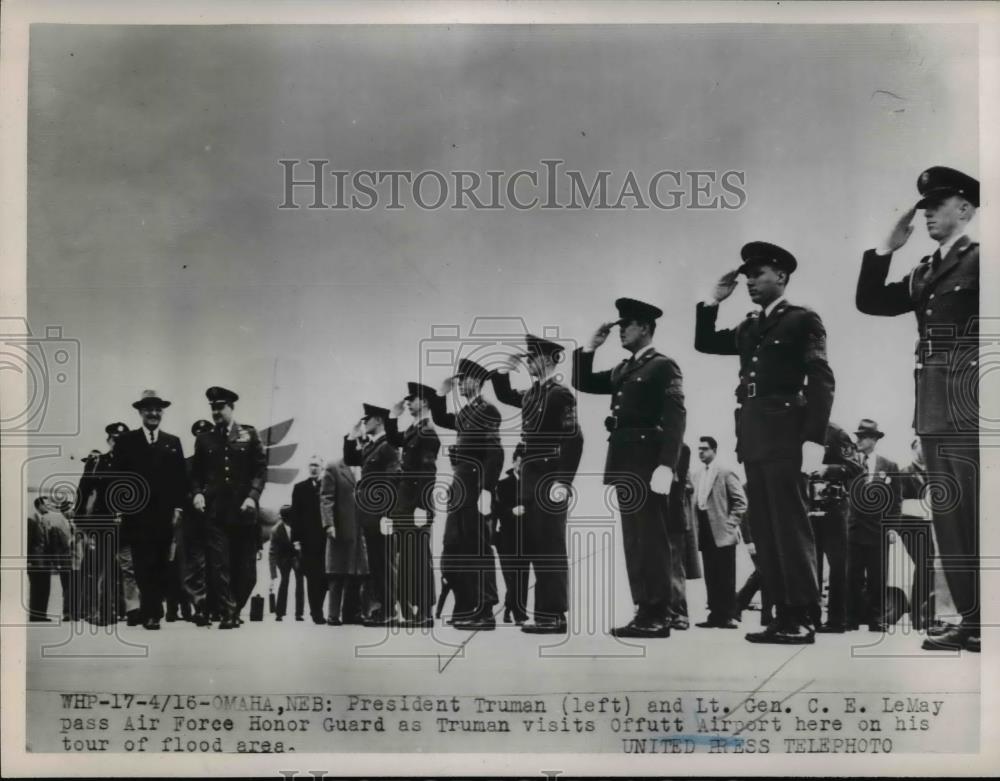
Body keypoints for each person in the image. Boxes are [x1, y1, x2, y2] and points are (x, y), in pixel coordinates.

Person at [855, 165, 980, 653]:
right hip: (931, 409)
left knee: (978, 514)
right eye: (924, 207)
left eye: (937, 205)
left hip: (971, 407)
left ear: (965, 208)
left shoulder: (982, 260)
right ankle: (972, 620)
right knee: (949, 520)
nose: (927, 213)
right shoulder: (926, 270)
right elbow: (869, 301)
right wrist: (886, 249)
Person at [696, 242, 834, 644]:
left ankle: (803, 615)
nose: (751, 281)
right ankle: (782, 614)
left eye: (758, 274)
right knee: (769, 532)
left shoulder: (801, 320)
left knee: (790, 527)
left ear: (782, 276)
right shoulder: (749, 326)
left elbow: (822, 377)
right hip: (754, 437)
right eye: (747, 276)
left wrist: (814, 438)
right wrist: (712, 300)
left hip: (788, 433)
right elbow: (705, 342)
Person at [573, 298, 686, 639]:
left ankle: (659, 612)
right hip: (623, 459)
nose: (621, 330)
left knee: (651, 538)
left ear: (646, 328)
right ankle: (644, 609)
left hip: (648, 461)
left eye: (628, 324)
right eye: (620, 324)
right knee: (634, 540)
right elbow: (582, 381)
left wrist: (667, 465)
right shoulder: (624, 369)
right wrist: (589, 348)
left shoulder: (663, 365)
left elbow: (676, 416)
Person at [492, 334, 584, 634]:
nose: (529, 362)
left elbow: (574, 438)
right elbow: (505, 395)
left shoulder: (561, 394)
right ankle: (544, 613)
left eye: (533, 357)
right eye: (528, 357)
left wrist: (564, 481)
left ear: (549, 359)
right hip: (530, 482)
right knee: (537, 546)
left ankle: (554, 615)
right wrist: (506, 367)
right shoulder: (532, 394)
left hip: (549, 478)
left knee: (551, 548)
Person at [430, 359, 504, 630]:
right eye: (458, 380)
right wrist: (441, 393)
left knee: (479, 548)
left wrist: (486, 489)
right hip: (460, 490)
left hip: (475, 488)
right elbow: (440, 418)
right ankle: (469, 605)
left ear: (477, 381)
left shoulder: (488, 410)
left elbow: (495, 452)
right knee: (458, 547)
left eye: (463, 380)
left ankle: (485, 609)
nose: (460, 384)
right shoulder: (465, 414)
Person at [191, 386, 268, 630]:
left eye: (220, 407)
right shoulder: (204, 439)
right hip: (216, 513)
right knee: (219, 564)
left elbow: (260, 470)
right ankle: (228, 611)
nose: (216, 412)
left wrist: (253, 497)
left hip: (243, 511)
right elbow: (196, 474)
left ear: (231, 407)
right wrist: (197, 494)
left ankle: (234, 605)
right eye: (212, 408)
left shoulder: (249, 434)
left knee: (247, 570)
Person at [114, 390, 187, 630]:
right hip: (137, 515)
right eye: (148, 410)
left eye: (158, 410)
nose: (153, 414)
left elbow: (180, 479)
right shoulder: (127, 442)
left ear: (162, 412)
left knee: (160, 563)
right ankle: (151, 611)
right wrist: (121, 509)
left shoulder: (172, 442)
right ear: (140, 412)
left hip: (164, 515)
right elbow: (118, 479)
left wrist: (178, 507)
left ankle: (153, 610)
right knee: (142, 564)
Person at [386, 383, 441, 628]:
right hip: (405, 505)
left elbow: (428, 471)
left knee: (419, 558)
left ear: (426, 402)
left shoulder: (427, 432)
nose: (408, 403)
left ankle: (426, 612)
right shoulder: (414, 429)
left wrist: (422, 506)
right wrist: (392, 417)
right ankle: (417, 610)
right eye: (407, 400)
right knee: (409, 558)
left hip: (415, 505)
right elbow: (394, 439)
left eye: (413, 399)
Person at [343, 404, 402, 626]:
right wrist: (351, 436)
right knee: (377, 564)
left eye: (366, 419)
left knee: (385, 563)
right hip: (369, 515)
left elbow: (392, 480)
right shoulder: (372, 446)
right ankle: (381, 610)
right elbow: (351, 459)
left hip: (381, 515)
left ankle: (389, 611)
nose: (363, 423)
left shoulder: (388, 445)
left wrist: (387, 514)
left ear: (378, 420)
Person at [846, 419, 901, 632]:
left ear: (873, 440)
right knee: (853, 575)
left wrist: (893, 527)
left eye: (862, 437)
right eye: (857, 437)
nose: (858, 441)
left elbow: (896, 500)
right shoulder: (849, 464)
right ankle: (851, 617)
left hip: (879, 529)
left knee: (878, 577)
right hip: (854, 528)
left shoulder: (889, 466)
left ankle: (876, 618)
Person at [73, 421, 130, 625]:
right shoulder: (97, 462)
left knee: (123, 568)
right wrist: (80, 522)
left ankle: (119, 609)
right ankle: (99, 612)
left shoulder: (133, 462)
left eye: (123, 440)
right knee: (100, 566)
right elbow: (83, 490)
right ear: (108, 440)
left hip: (128, 523)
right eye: (115, 439)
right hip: (103, 522)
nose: (118, 443)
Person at [809, 422, 862, 633]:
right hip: (808, 504)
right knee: (810, 564)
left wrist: (827, 470)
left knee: (838, 566)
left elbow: (856, 467)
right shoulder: (801, 430)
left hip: (834, 508)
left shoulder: (837, 433)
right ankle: (811, 617)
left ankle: (837, 620)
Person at [691, 436, 747, 629]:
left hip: (723, 530)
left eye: (705, 449)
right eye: (699, 449)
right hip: (705, 528)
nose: (701, 452)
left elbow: (741, 501)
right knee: (711, 573)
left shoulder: (725, 472)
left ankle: (728, 615)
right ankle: (714, 614)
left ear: (714, 450)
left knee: (726, 574)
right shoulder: (697, 475)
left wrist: (731, 524)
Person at [320, 458, 368, 625]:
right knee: (337, 573)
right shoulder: (334, 467)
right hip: (341, 529)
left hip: (360, 529)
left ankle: (352, 613)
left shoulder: (367, 466)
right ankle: (333, 615)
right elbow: (326, 498)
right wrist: (329, 524)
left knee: (357, 573)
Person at [491, 443, 529, 625]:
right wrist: (511, 512)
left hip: (524, 537)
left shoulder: (531, 484)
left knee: (522, 576)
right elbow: (496, 510)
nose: (522, 467)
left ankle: (510, 610)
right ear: (514, 462)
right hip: (506, 537)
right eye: (520, 462)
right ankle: (520, 615)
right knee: (511, 578)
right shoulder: (502, 484)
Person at [182, 419, 215, 626]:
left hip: (219, 522)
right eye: (199, 435)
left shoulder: (221, 461)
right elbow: (180, 490)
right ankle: (201, 607)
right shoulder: (187, 464)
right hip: (195, 522)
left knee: (217, 565)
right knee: (198, 566)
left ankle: (217, 607)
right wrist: (194, 499)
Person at [291, 457, 328, 624]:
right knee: (312, 577)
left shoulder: (328, 486)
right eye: (311, 465)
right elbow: (295, 516)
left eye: (317, 465)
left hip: (326, 539)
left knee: (325, 577)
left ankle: (318, 608)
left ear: (322, 468)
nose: (313, 468)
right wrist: (296, 540)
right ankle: (316, 612)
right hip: (308, 541)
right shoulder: (300, 488)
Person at [268, 505, 303, 622]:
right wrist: (273, 574)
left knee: (300, 582)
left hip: (297, 557)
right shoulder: (276, 530)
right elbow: (272, 552)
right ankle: (279, 613)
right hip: (283, 559)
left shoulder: (298, 527)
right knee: (284, 582)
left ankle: (299, 613)